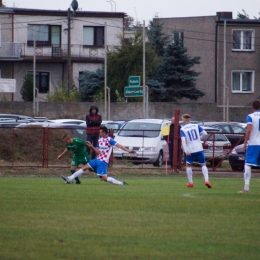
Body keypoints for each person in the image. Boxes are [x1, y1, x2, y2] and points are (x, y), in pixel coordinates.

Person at [61, 126, 136, 185]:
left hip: (103, 161)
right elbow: (97, 151)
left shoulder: (110, 140)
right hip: (97, 159)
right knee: (84, 167)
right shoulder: (100, 140)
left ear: (104, 133)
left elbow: (119, 145)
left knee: (104, 178)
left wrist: (127, 150)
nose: (99, 133)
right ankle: (70, 178)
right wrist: (92, 146)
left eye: (100, 132)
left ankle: (120, 183)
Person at [180, 114, 212, 188]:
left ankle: (190, 182)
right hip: (199, 148)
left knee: (188, 165)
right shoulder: (196, 126)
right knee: (203, 164)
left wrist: (185, 150)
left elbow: (183, 140)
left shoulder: (183, 129)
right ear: (190, 120)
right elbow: (205, 133)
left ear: (183, 121)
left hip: (190, 149)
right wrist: (198, 139)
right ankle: (206, 180)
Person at [239, 100, 260, 193]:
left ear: (252, 107)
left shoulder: (250, 116)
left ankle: (246, 188)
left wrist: (245, 142)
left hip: (254, 143)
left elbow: (249, 130)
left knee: (248, 164)